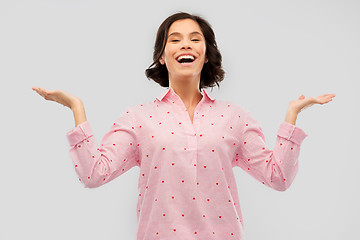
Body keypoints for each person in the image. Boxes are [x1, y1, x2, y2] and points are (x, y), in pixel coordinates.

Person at [32, 11, 335, 240]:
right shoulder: (138, 118)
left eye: (194, 38)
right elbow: (92, 175)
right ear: (162, 57)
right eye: (174, 39)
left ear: (206, 54)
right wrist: (77, 109)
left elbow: (278, 178)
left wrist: (292, 117)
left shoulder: (235, 117)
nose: (184, 44)